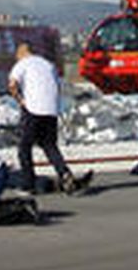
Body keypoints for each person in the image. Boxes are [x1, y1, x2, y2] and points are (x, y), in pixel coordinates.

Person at [8, 42, 92, 195]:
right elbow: (57, 85)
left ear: (21, 53)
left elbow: (12, 85)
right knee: (49, 145)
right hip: (51, 109)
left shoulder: (22, 64)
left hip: (33, 109)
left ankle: (28, 184)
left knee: (24, 147)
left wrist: (20, 101)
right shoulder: (48, 64)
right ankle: (65, 174)